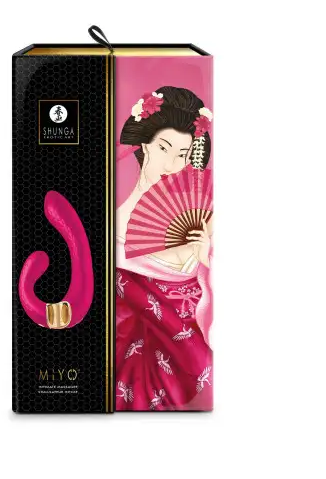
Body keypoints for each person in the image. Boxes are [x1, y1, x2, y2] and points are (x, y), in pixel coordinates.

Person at [116, 86, 213, 411]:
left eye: (183, 154)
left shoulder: (200, 216)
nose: (172, 165)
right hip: (140, 346)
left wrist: (206, 259)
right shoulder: (114, 224)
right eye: (164, 148)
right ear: (145, 144)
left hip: (198, 341)